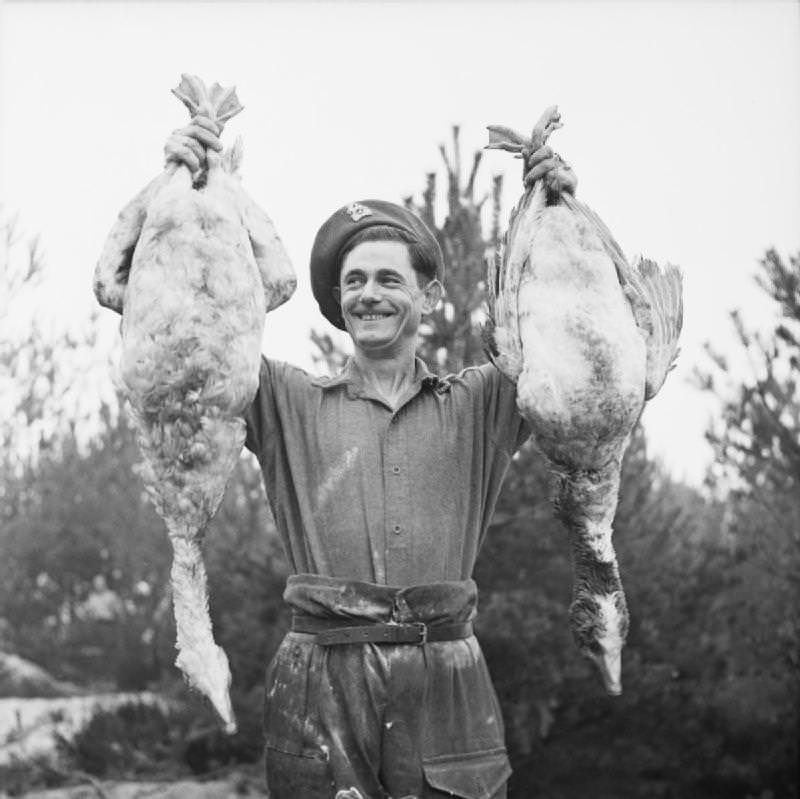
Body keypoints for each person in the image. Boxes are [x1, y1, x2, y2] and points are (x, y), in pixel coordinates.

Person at [165, 117, 576, 799]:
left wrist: (555, 206)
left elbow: (568, 339)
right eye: (354, 281)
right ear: (337, 300)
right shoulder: (283, 399)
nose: (368, 294)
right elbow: (187, 335)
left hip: (446, 676)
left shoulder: (483, 402)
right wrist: (189, 190)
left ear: (429, 295)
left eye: (389, 278)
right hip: (320, 677)